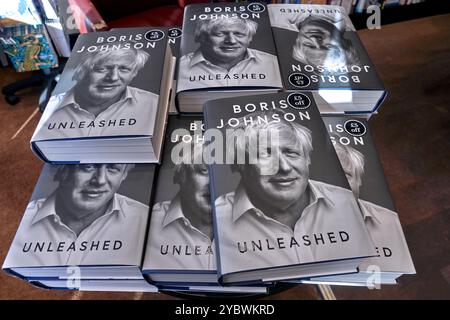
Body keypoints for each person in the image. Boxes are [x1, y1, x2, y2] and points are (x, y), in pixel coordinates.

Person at [214, 111, 374, 274]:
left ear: (307, 159)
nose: (284, 167)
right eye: (265, 154)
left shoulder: (347, 202)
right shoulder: (215, 222)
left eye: (291, 152)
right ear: (238, 164)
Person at [3, 164, 149, 267]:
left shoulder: (144, 219)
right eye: (88, 167)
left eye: (113, 168)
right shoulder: (17, 223)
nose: (100, 180)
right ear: (62, 170)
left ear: (124, 175)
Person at [33, 45, 159, 140]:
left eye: (124, 69)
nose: (113, 77)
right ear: (82, 71)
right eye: (102, 68)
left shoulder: (153, 103)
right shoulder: (54, 107)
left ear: (134, 74)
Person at [333, 142, 415, 272]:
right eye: (332, 175)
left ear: (359, 180)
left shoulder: (390, 221)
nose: (337, 184)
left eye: (346, 175)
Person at [145, 141, 215, 270]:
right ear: (180, 175)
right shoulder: (147, 222)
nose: (213, 184)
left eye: (218, 173)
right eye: (204, 170)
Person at [177, 17, 281, 91]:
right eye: (219, 34)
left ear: (250, 38)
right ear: (201, 37)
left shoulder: (272, 63)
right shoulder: (179, 67)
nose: (231, 41)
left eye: (239, 34)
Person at [290, 12, 359, 72]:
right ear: (343, 42)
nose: (314, 39)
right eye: (328, 46)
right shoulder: (342, 14)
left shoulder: (282, 23)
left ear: (298, 41)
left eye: (309, 44)